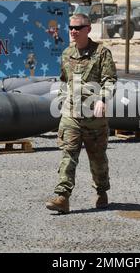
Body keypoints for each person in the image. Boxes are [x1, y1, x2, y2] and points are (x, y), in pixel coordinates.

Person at [46, 13, 117, 214]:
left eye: (77, 28)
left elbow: (110, 80)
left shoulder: (102, 53)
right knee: (68, 155)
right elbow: (63, 80)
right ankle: (62, 197)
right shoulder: (67, 53)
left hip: (95, 119)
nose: (73, 31)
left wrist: (102, 100)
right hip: (71, 115)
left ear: (88, 29)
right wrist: (62, 100)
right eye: (70, 27)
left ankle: (102, 191)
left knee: (98, 159)